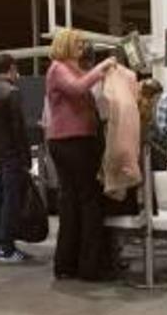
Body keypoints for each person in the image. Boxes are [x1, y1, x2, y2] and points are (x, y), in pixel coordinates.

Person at [45, 28, 118, 282]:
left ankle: (70, 264)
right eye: (77, 42)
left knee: (74, 203)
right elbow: (77, 90)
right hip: (71, 142)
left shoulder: (72, 69)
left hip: (72, 142)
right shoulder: (58, 68)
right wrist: (103, 67)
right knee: (87, 203)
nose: (82, 46)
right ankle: (88, 266)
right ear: (65, 44)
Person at [0, 53, 33, 263]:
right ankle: (7, 248)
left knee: (0, 198)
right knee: (11, 200)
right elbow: (18, 129)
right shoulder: (12, 92)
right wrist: (26, 157)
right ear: (12, 68)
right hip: (12, 154)